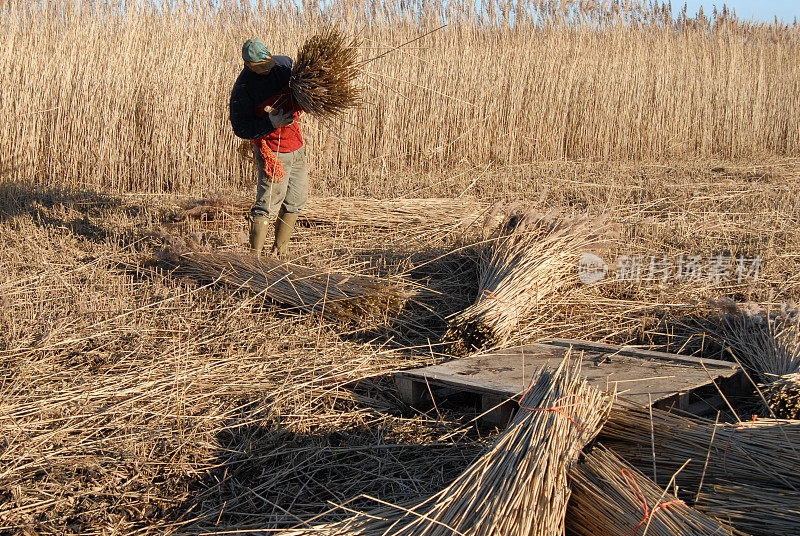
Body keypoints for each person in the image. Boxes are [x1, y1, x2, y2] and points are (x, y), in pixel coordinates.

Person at [229, 38, 307, 258]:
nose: (267, 69)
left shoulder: (283, 65)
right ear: (248, 64)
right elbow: (241, 128)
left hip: (296, 146)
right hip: (273, 152)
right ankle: (254, 260)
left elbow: (303, 80)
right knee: (267, 204)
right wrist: (270, 123)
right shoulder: (244, 89)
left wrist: (307, 98)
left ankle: (280, 253)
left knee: (296, 199)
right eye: (261, 67)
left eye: (268, 63)